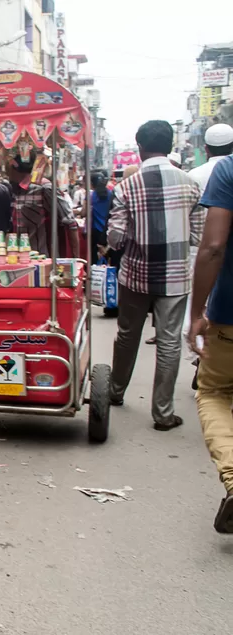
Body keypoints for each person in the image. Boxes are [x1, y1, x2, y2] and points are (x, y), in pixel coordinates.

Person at [107, 120, 204, 431]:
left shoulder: (126, 187)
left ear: (140, 147)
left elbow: (115, 239)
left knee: (126, 335)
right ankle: (163, 413)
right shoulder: (190, 184)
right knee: (169, 342)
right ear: (171, 145)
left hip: (136, 274)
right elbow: (199, 235)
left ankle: (114, 391)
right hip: (175, 276)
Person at [188, 154, 233, 533]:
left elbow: (213, 245)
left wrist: (197, 312)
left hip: (229, 315)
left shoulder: (229, 169)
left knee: (215, 393)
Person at [184, 124, 233, 352]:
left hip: (204, 252)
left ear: (205, 149)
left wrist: (196, 313)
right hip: (213, 253)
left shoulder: (195, 175)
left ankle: (200, 351)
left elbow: (213, 245)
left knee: (216, 385)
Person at [9, 149, 80, 258]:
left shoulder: (44, 188)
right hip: (18, 257)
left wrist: (76, 260)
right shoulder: (16, 190)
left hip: (41, 257)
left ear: (15, 170)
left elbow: (70, 223)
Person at [89, 170, 114, 265]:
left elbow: (83, 213)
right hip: (108, 230)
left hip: (96, 231)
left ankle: (95, 278)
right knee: (108, 259)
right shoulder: (111, 194)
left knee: (94, 259)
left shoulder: (91, 195)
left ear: (91, 183)